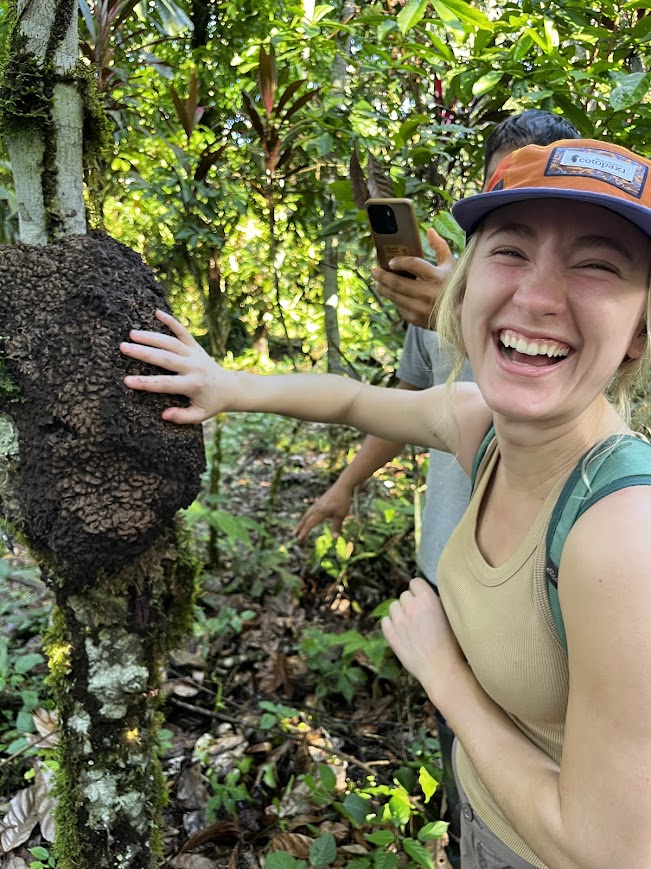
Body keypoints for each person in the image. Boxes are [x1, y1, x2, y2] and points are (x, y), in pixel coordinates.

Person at [121, 137, 651, 869]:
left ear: (638, 332)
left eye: (596, 264)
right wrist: (226, 385)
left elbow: (609, 849)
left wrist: (442, 672)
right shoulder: (481, 427)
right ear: (462, 287)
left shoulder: (621, 535)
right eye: (509, 250)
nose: (536, 295)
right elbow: (352, 400)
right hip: (482, 817)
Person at [294, 110, 581, 591]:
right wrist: (345, 486)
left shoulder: (578, 309)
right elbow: (404, 408)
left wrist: (460, 320)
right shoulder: (438, 293)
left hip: (539, 579)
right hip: (443, 561)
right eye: (507, 188)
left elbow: (585, 418)